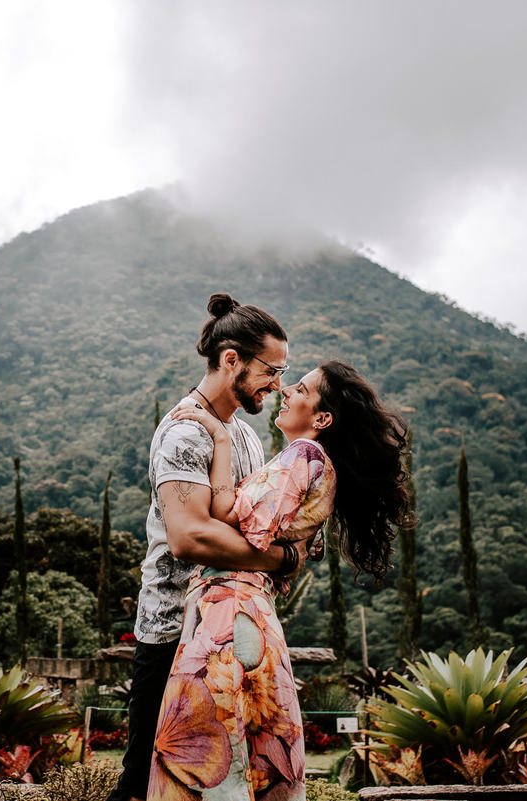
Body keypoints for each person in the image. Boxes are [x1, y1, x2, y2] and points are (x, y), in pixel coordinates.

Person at [148, 359, 412, 800]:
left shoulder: (304, 454)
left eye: (302, 389)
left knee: (205, 757)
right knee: (252, 755)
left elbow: (230, 516)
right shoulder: (317, 465)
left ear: (322, 418)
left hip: (228, 614)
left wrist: (218, 437)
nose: (286, 390)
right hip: (248, 610)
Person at [106, 293, 308, 801]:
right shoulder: (183, 431)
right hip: (175, 632)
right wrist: (280, 560)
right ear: (231, 358)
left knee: (236, 780)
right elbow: (189, 535)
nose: (278, 384)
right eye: (272, 369)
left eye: (285, 372)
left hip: (230, 627)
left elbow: (251, 520)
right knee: (147, 783)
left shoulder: (245, 436)